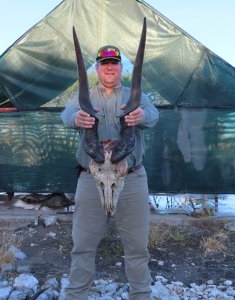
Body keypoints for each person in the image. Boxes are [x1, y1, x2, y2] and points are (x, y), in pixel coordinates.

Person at [61, 45, 159, 300]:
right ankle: (77, 295)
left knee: (137, 247)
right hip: (90, 178)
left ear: (120, 68)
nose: (109, 67)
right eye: (104, 64)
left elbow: (153, 115)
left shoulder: (133, 95)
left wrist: (142, 115)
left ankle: (141, 295)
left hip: (131, 178)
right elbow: (67, 114)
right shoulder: (84, 96)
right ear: (97, 68)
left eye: (114, 63)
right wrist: (76, 119)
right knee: (82, 245)